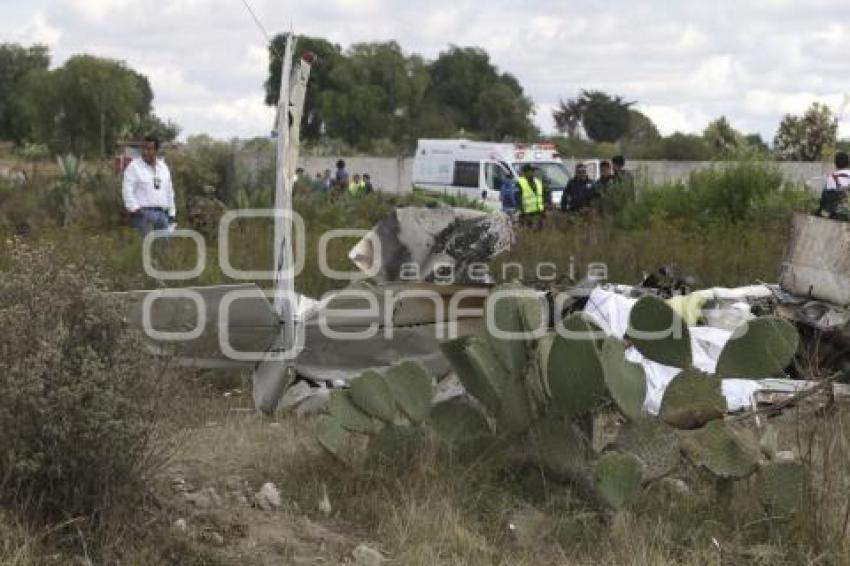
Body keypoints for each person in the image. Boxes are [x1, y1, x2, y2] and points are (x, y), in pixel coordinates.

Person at [122, 135, 176, 237]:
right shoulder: (134, 167)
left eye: (149, 149)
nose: (145, 152)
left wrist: (172, 213)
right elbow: (127, 190)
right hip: (143, 214)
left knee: (163, 248)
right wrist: (135, 210)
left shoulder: (163, 168)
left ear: (156, 151)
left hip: (163, 215)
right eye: (144, 148)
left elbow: (169, 191)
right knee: (147, 248)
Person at [816, 151, 850, 220]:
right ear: (848, 163)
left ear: (835, 164)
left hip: (834, 212)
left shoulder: (830, 177)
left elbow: (824, 198)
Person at [516, 164, 545, 228]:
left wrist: (543, 211)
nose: (532, 173)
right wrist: (522, 212)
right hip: (526, 214)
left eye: (533, 171)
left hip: (538, 213)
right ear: (525, 172)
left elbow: (542, 196)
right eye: (531, 171)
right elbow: (518, 199)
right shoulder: (520, 182)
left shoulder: (538, 182)